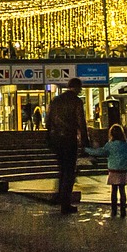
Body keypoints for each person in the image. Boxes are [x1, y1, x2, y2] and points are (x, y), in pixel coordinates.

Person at [44, 77, 90, 213]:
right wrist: (85, 142)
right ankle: (65, 203)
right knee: (69, 171)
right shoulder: (76, 101)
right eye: (80, 88)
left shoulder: (56, 100)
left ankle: (60, 197)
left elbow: (48, 120)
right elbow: (81, 122)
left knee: (62, 169)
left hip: (56, 139)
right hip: (69, 139)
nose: (81, 90)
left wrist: (49, 136)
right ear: (76, 87)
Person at [86, 123, 127, 216]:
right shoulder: (126, 145)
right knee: (122, 191)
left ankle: (114, 210)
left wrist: (87, 150)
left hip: (113, 171)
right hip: (122, 170)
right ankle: (123, 210)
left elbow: (100, 152)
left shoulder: (110, 145)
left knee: (114, 191)